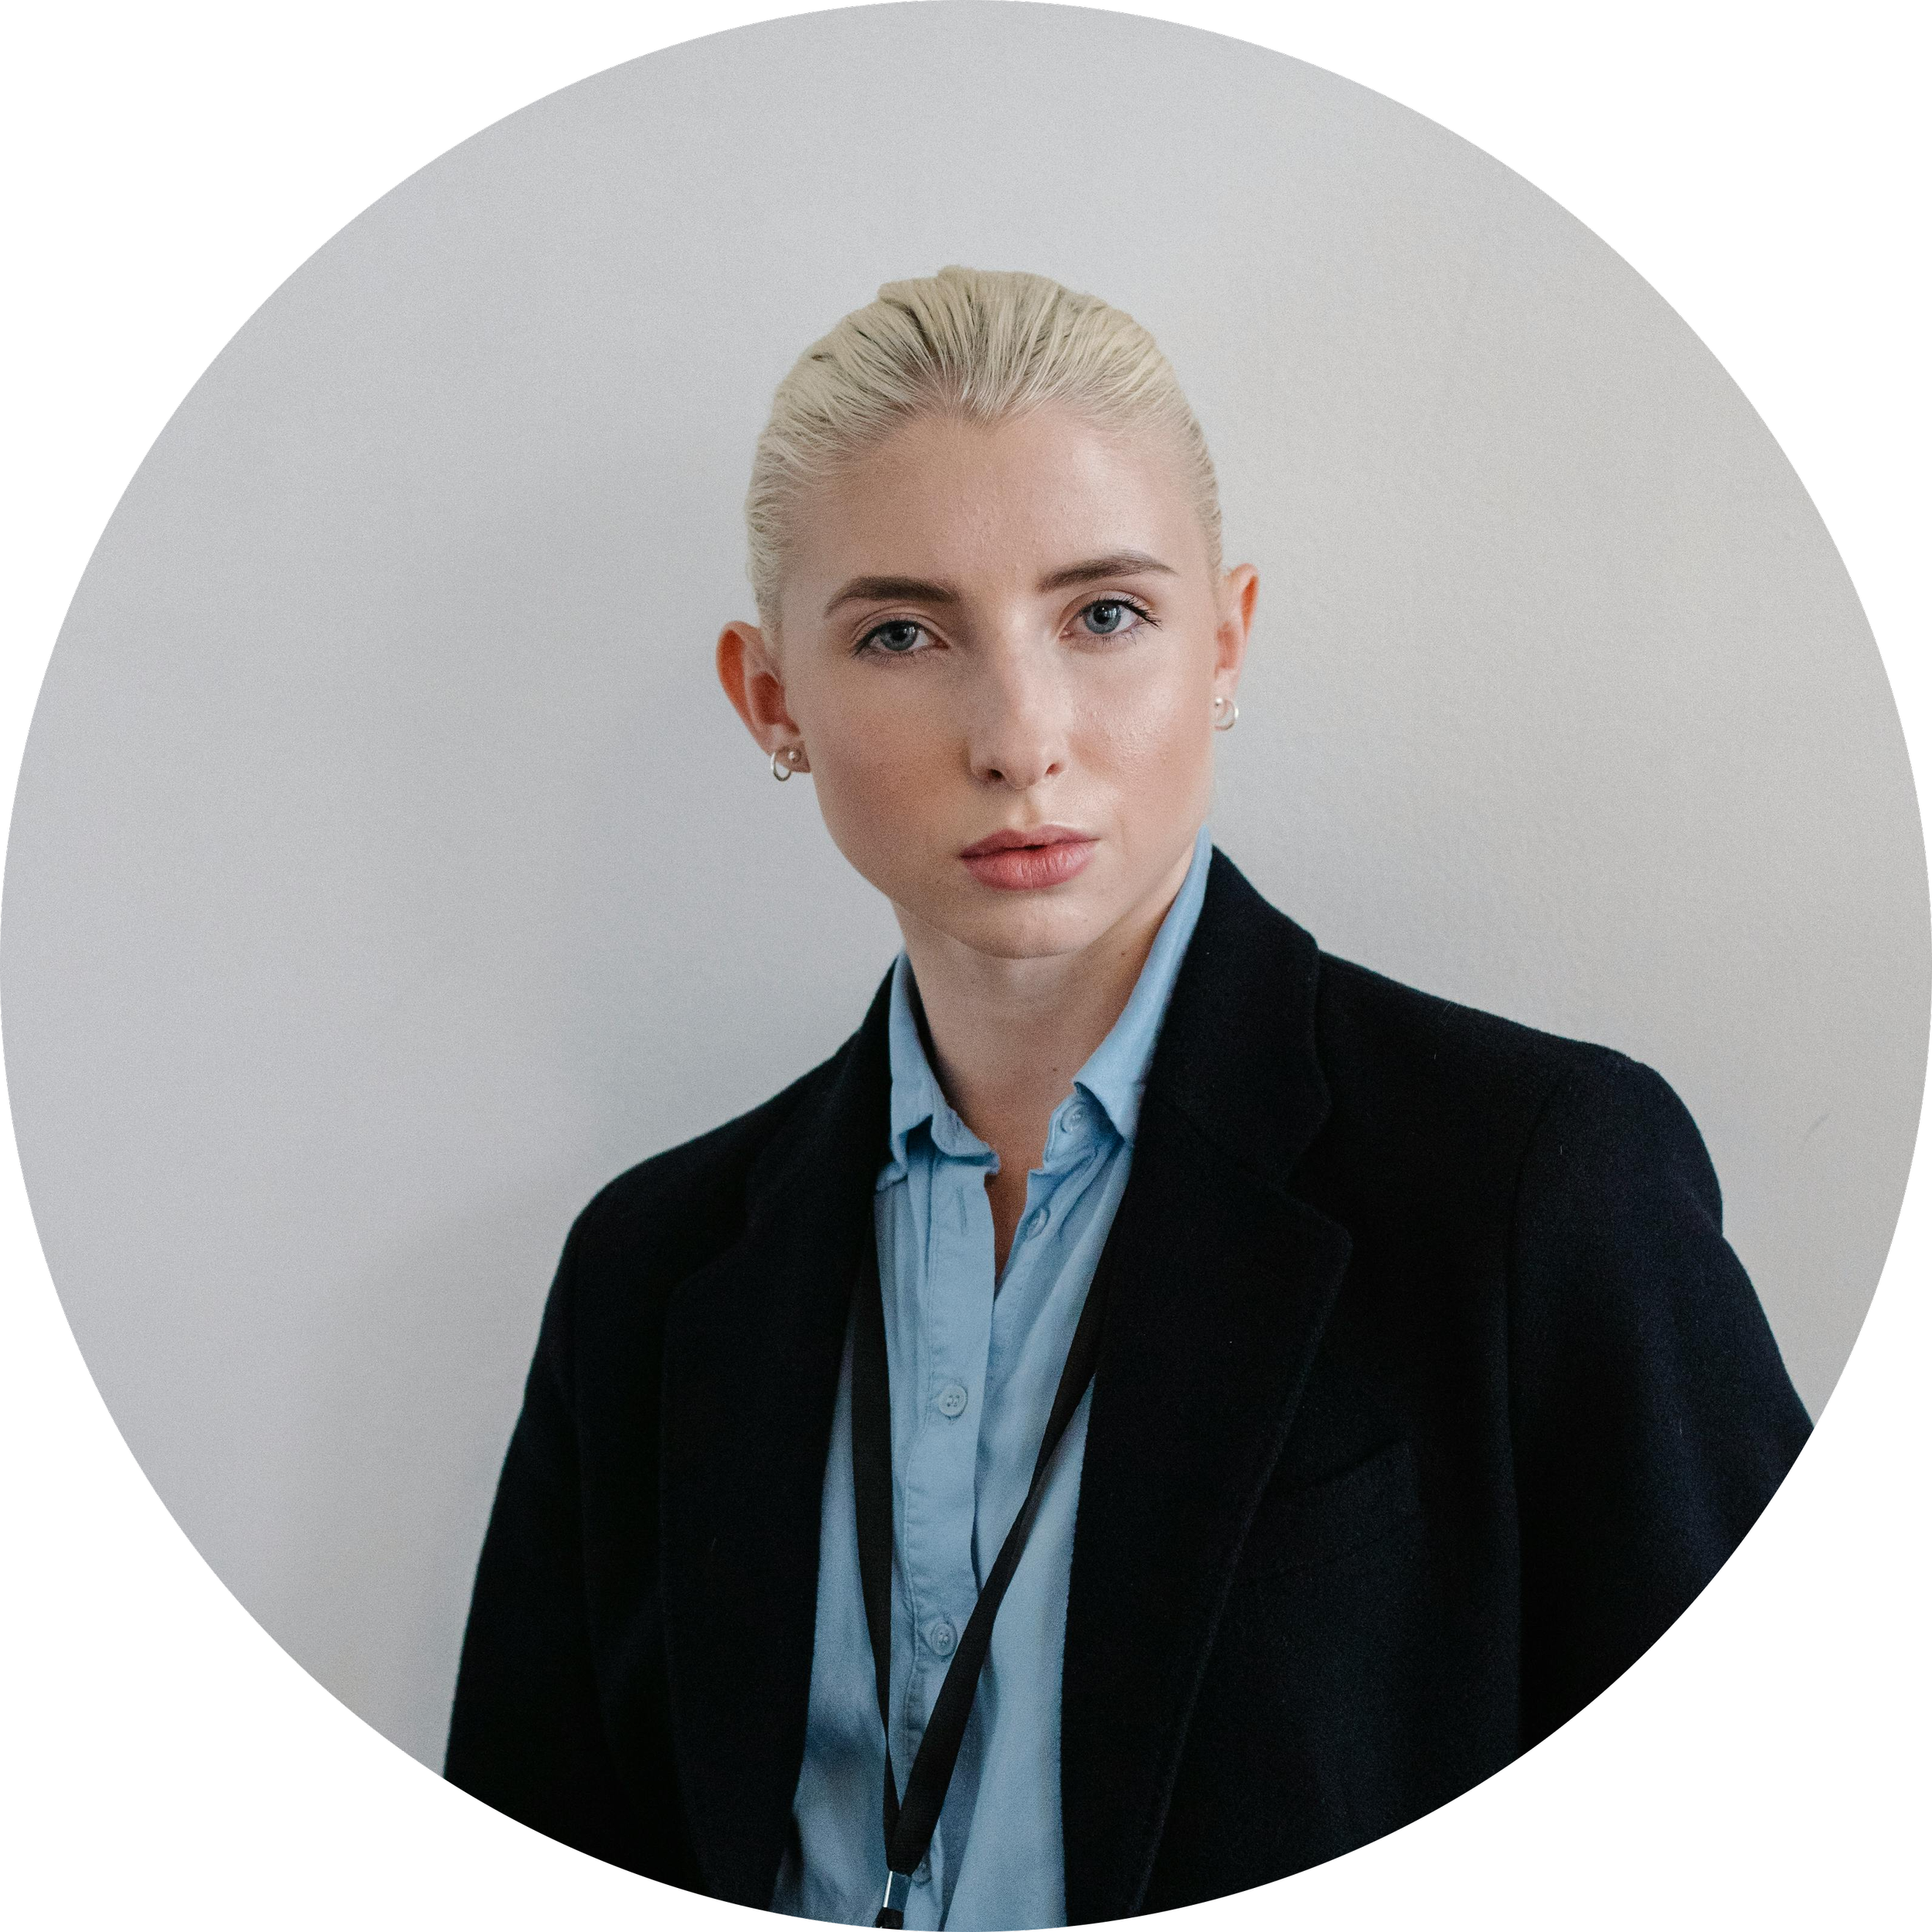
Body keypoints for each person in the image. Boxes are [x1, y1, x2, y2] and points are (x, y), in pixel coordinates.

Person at [445, 267, 1815, 1929]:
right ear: (771, 699)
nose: (1020, 738)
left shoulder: (1533, 1181)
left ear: (1223, 642)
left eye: (1103, 616)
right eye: (901, 633)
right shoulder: (647, 1270)